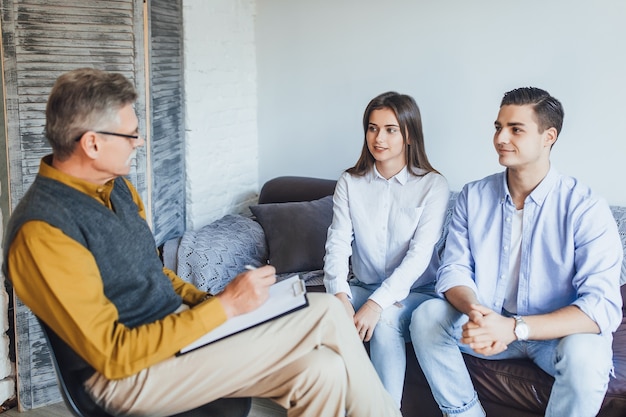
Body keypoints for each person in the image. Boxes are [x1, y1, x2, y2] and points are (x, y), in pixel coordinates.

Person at [2, 68, 402, 417]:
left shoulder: (117, 189)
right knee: (329, 313)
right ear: (91, 143)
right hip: (127, 378)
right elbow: (114, 355)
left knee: (323, 372)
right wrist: (226, 309)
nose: (138, 142)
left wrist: (217, 302)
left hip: (177, 337)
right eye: (130, 134)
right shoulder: (42, 231)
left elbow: (151, 274)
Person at [410, 87, 623, 417]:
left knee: (588, 354)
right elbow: (453, 269)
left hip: (555, 337)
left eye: (516, 129)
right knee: (426, 316)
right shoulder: (473, 196)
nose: (501, 138)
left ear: (548, 136)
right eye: (498, 127)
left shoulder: (585, 208)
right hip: (489, 324)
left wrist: (514, 328)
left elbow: (601, 308)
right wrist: (479, 313)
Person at [323, 91, 450, 407]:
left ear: (409, 134)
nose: (378, 138)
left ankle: (384, 411)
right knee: (321, 315)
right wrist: (340, 295)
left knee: (384, 323)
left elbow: (419, 256)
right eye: (372, 128)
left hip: (416, 292)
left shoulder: (433, 185)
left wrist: (377, 304)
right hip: (361, 287)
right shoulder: (349, 182)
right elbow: (338, 242)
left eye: (390, 129)